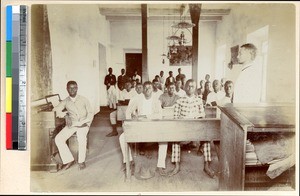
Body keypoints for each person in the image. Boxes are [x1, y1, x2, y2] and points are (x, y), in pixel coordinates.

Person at [169, 79, 215, 178]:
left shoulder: (198, 100)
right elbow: (175, 117)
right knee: (175, 139)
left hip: (196, 127)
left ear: (195, 88)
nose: (190, 88)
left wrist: (197, 117)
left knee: (206, 138)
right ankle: (176, 166)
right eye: (188, 86)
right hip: (183, 127)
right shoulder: (179, 100)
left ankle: (206, 166)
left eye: (192, 86)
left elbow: (202, 115)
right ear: (185, 88)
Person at [120, 81, 167, 176]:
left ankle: (160, 165)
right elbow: (128, 112)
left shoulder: (156, 101)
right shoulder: (137, 99)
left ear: (152, 90)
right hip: (139, 126)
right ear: (143, 90)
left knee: (164, 140)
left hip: (153, 126)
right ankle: (129, 162)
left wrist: (147, 117)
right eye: (145, 88)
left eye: (149, 88)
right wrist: (129, 123)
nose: (147, 90)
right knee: (122, 137)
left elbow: (160, 115)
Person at [54, 81, 93, 170]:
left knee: (81, 138)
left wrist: (86, 122)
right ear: (67, 89)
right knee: (58, 139)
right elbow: (56, 109)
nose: (72, 90)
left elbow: (90, 113)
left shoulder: (84, 99)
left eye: (74, 88)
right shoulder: (65, 101)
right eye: (70, 88)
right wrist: (65, 115)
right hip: (73, 124)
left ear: (77, 88)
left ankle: (81, 161)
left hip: (84, 123)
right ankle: (69, 160)